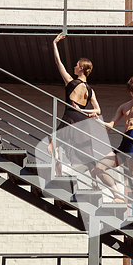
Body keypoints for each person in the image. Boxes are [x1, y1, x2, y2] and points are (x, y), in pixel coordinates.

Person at [93, 75, 133, 216]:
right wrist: (98, 121)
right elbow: (110, 125)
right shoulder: (124, 106)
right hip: (124, 141)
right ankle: (118, 196)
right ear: (129, 91)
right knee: (99, 167)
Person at [47, 32, 101, 187]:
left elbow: (58, 62)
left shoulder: (71, 82)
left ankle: (58, 174)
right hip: (83, 122)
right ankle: (94, 182)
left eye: (77, 65)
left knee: (51, 147)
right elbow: (97, 110)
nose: (74, 67)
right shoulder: (90, 90)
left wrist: (54, 43)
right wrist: (84, 112)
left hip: (70, 118)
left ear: (82, 68)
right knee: (87, 153)